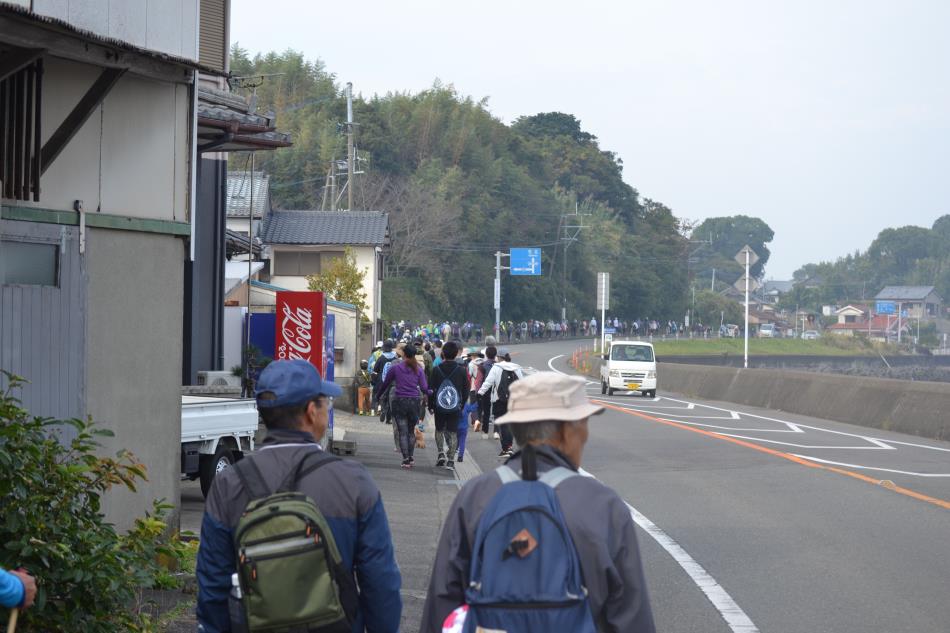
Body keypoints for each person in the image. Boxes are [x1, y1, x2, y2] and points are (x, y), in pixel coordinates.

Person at [420, 373, 656, 633]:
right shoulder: (603, 505)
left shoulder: (475, 496)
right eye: (584, 423)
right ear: (568, 430)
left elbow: (443, 600)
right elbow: (631, 616)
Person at [196, 359, 401, 633]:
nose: (327, 407)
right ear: (310, 411)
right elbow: (380, 582)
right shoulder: (353, 482)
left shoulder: (229, 484)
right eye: (325, 401)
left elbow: (212, 584)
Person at [380, 343, 429, 468]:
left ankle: (406, 459)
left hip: (399, 401)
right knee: (411, 432)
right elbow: (424, 387)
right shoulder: (419, 369)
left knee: (402, 431)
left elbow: (386, 383)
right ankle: (411, 457)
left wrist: (379, 395)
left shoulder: (396, 368)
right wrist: (430, 392)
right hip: (414, 402)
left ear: (403, 354)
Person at [427, 341, 469, 469]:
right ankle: (451, 460)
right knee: (452, 432)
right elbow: (466, 390)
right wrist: (461, 405)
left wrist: (430, 405)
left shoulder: (436, 370)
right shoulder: (461, 370)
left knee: (439, 429)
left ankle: (440, 453)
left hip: (439, 405)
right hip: (455, 406)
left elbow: (430, 389)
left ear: (443, 353)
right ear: (456, 354)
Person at [477, 348, 524, 457]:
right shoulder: (516, 368)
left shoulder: (496, 367)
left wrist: (480, 393)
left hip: (499, 400)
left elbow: (488, 382)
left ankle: (506, 449)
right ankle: (510, 446)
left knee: (502, 425)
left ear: (498, 357)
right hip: (513, 400)